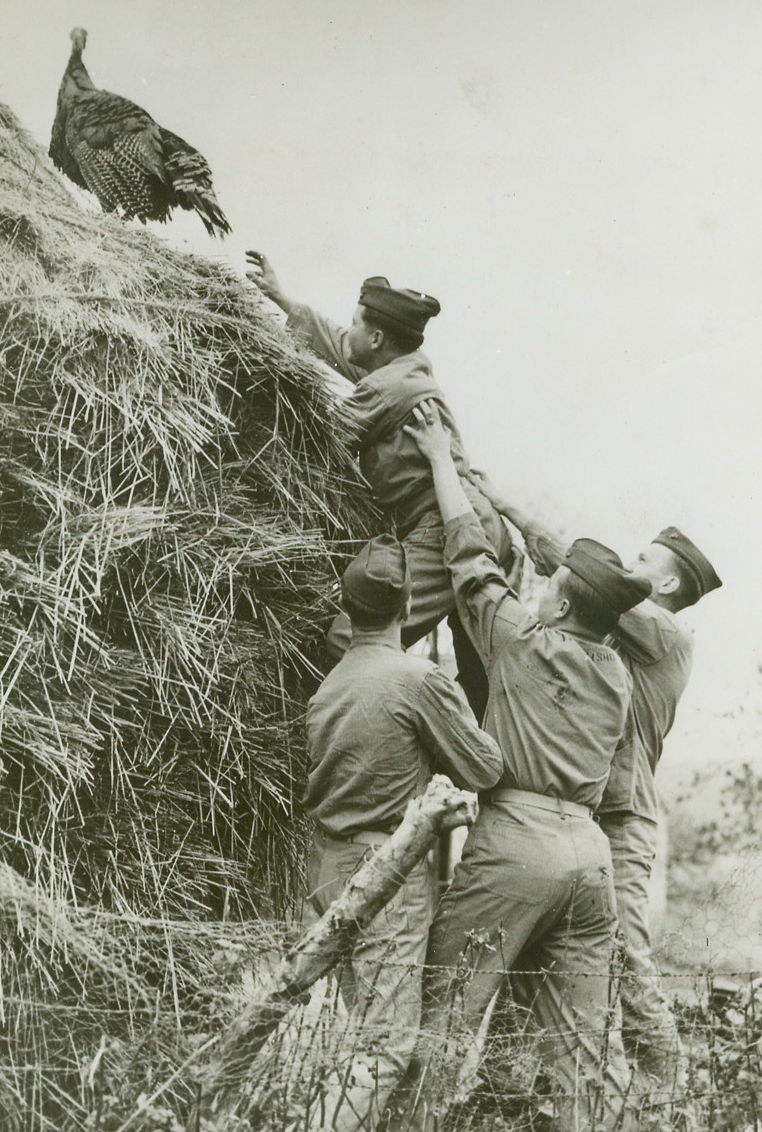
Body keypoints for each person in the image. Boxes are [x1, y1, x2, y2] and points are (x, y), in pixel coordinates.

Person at [393, 400, 652, 1132]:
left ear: (562, 600)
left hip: (517, 846)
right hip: (591, 859)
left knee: (442, 1020)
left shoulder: (523, 642)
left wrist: (442, 460)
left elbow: (469, 559)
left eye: (550, 584)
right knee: (586, 1058)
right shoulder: (615, 673)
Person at [472, 470, 722, 1114]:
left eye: (642, 560)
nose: (629, 565)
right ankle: (512, 1093)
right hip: (582, 821)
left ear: (665, 584)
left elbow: (569, 566)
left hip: (621, 822)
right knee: (534, 950)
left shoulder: (666, 635)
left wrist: (496, 498)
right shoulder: (623, 640)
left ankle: (672, 1097)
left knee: (626, 957)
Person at [245, 250, 518, 720]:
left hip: (443, 529)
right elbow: (349, 352)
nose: (347, 331)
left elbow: (316, 437)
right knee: (480, 672)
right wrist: (283, 300)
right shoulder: (407, 365)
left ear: (376, 337)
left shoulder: (386, 388)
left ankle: (350, 726)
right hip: (471, 522)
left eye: (355, 323)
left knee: (352, 636)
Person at [303, 533, 504, 1132]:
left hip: (330, 869)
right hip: (384, 878)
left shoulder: (331, 684)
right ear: (410, 600)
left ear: (348, 605)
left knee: (367, 1036)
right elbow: (485, 766)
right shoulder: (416, 680)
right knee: (385, 1050)